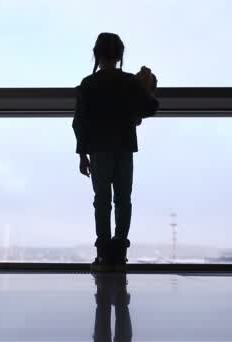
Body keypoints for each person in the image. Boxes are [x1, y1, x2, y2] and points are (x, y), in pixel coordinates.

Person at [73, 32, 159, 271]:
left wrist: (82, 154)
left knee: (102, 201)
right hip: (124, 148)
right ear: (120, 56)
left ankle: (103, 255)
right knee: (123, 200)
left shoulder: (88, 85)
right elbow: (150, 107)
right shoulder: (129, 82)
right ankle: (119, 253)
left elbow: (80, 122)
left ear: (96, 55)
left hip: (99, 150)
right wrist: (148, 88)